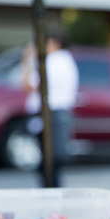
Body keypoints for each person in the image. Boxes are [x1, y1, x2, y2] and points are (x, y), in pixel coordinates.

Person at [22, 27, 79, 187]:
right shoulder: (65, 60)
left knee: (48, 163)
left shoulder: (53, 62)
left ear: (54, 43)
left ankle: (51, 200)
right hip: (57, 114)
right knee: (52, 163)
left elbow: (29, 85)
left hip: (50, 115)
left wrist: (27, 60)